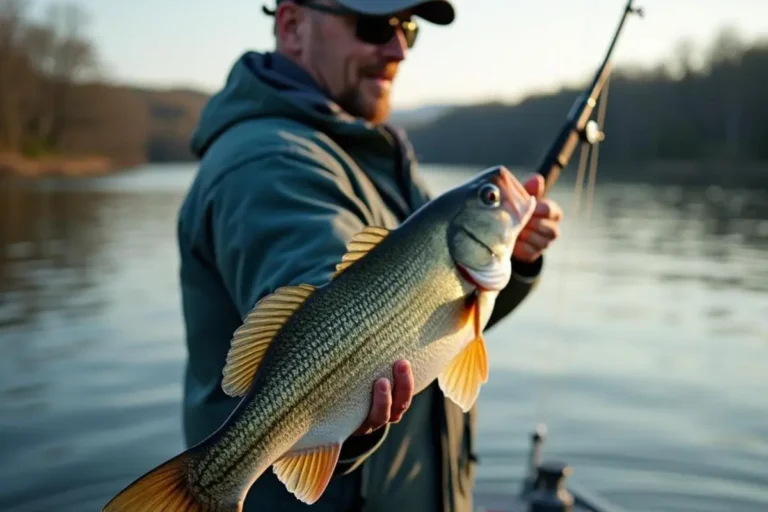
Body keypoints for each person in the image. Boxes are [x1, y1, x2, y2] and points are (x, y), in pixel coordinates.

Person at [176, 0, 563, 510]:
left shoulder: (371, 156)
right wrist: (341, 405)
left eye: (407, 27)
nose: (398, 47)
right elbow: (323, 290)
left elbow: (437, 319)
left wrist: (516, 263)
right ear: (292, 26)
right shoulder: (268, 161)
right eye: (375, 25)